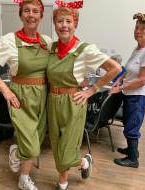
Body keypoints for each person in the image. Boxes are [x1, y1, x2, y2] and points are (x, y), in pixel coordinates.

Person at [47, 1, 121, 190]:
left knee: (67, 146)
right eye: (59, 21)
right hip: (52, 100)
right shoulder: (51, 48)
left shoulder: (85, 49)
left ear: (75, 24)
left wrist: (91, 89)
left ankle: (62, 182)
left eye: (68, 21)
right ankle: (83, 163)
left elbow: (115, 68)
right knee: (56, 142)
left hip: (73, 102)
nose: (64, 25)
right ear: (54, 24)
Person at [0, 0, 52, 189]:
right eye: (26, 11)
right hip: (20, 96)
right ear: (20, 15)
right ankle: (22, 170)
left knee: (37, 138)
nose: (31, 15)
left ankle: (20, 164)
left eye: (36, 11)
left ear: (41, 16)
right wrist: (5, 89)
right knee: (33, 147)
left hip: (42, 95)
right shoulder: (9, 40)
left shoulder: (47, 42)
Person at [110, 12, 145, 168]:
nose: (138, 31)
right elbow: (127, 70)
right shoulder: (138, 49)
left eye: (143, 29)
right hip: (131, 93)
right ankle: (130, 149)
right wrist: (118, 80)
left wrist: (120, 87)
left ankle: (133, 159)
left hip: (139, 95)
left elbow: (143, 80)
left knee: (132, 125)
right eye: (136, 27)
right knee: (130, 121)